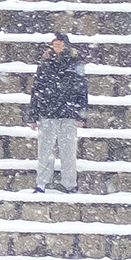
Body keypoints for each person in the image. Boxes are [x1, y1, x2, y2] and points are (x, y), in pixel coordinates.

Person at [28, 29, 94, 193]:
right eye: (54, 44)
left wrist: (81, 115)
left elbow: (82, 90)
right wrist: (33, 115)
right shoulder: (45, 64)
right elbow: (37, 90)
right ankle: (42, 183)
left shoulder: (75, 64)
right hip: (48, 112)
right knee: (45, 151)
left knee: (68, 152)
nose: (57, 46)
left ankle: (69, 184)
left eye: (60, 43)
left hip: (68, 113)